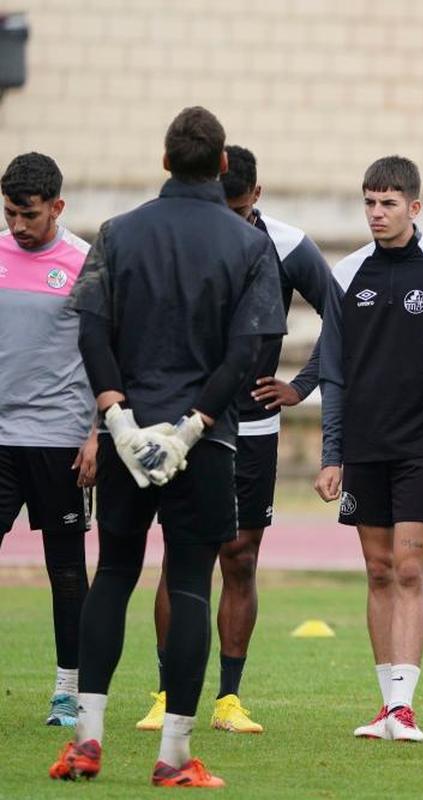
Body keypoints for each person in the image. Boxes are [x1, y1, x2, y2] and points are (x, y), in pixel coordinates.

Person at [49, 106, 286, 788]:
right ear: (220, 166)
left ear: (164, 161)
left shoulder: (118, 234)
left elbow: (91, 331)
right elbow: (248, 351)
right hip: (204, 444)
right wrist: (193, 426)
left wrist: (119, 419)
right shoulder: (248, 246)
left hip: (126, 437)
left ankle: (86, 742)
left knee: (114, 575)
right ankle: (174, 757)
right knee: (188, 585)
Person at [137, 144, 330, 735]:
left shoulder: (288, 245)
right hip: (184, 425)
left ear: (257, 198)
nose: (232, 219)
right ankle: (168, 693)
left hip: (252, 428)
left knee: (239, 558)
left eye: (241, 208)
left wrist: (303, 384)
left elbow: (345, 318)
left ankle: (228, 699)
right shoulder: (180, 236)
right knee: (178, 555)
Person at [315, 155, 423, 742]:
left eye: (388, 203)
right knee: (378, 569)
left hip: (422, 443)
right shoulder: (346, 274)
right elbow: (334, 372)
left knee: (410, 569)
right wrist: (330, 453)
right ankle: (384, 704)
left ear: (414, 206)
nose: (376, 213)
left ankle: (403, 707)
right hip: (364, 443)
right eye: (369, 202)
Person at [0, 152, 96, 727]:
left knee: (65, 569)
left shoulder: (86, 263)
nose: (17, 225)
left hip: (61, 438)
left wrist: (95, 434)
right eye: (9, 213)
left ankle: (68, 691)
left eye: (28, 215)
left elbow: (105, 353)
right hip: (1, 438)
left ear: (56, 207)